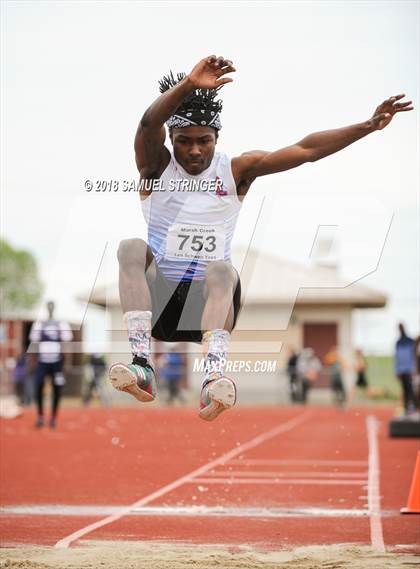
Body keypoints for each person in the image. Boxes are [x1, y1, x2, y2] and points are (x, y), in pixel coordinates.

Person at [109, 54, 413, 421]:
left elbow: (306, 151)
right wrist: (189, 84)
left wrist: (366, 125)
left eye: (203, 141)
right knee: (130, 248)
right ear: (170, 139)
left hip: (209, 303)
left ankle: (212, 378)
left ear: (216, 138)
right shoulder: (156, 168)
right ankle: (142, 364)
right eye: (183, 141)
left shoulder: (236, 170)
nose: (193, 150)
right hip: (159, 305)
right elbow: (146, 124)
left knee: (222, 270)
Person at [29, 301, 73, 428]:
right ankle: (40, 416)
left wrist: (67, 362)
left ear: (54, 308)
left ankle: (53, 417)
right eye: (48, 306)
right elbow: (34, 344)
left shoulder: (61, 324)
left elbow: (66, 344)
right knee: (38, 387)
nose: (50, 309)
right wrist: (32, 363)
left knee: (57, 389)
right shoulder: (39, 324)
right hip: (42, 362)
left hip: (57, 363)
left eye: (52, 306)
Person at [395, 323, 417, 415]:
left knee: (410, 388)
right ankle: (406, 407)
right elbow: (397, 357)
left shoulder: (410, 341)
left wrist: (413, 368)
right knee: (405, 389)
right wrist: (397, 370)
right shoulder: (398, 342)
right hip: (402, 369)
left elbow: (413, 356)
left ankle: (412, 406)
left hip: (408, 369)